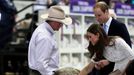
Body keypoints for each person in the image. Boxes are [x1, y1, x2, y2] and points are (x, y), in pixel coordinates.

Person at [28, 5, 72, 75]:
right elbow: (41, 64)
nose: (61, 26)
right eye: (61, 23)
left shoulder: (43, 29)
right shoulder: (45, 36)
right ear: (55, 22)